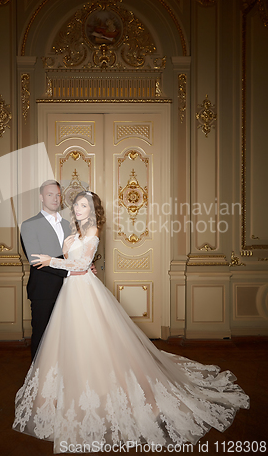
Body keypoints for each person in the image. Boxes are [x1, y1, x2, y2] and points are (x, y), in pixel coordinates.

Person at [13, 191, 249, 453]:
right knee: (71, 343)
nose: (78, 209)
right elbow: (75, 263)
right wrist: (67, 261)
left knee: (99, 342)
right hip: (70, 292)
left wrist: (52, 261)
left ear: (92, 210)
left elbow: (80, 263)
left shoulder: (93, 232)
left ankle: (109, 394)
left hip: (85, 292)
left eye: (84, 205)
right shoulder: (74, 233)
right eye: (77, 205)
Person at [20, 180, 86, 359]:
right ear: (41, 197)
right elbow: (36, 260)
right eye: (50, 194)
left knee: (68, 337)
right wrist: (71, 270)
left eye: (58, 194)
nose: (55, 198)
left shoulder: (69, 224)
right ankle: (39, 380)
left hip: (71, 289)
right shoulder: (29, 225)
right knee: (42, 336)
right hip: (43, 290)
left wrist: (85, 265)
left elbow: (75, 254)